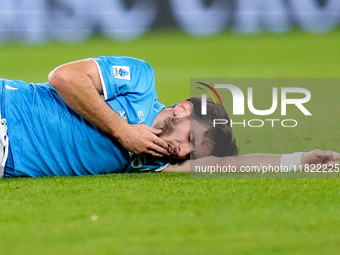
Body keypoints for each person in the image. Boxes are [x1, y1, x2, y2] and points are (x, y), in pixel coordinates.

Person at [0, 55, 338, 178]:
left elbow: (224, 166)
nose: (181, 151)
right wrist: (122, 130)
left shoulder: (152, 160)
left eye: (190, 154)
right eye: (190, 139)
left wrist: (302, 160)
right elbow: (64, 77)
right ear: (184, 108)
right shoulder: (140, 81)